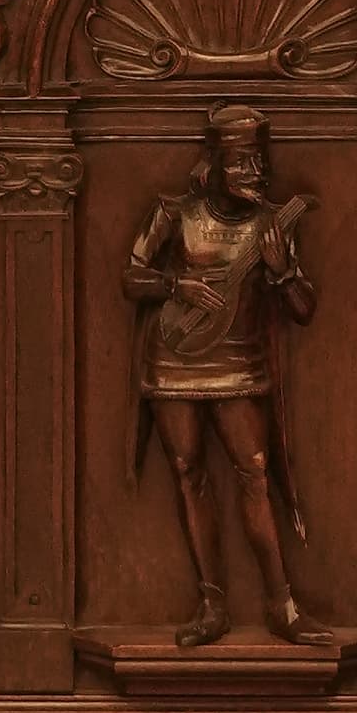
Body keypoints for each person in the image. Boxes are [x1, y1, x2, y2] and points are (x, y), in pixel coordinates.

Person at [124, 106, 320, 644]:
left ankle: (282, 604)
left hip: (239, 366)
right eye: (241, 162)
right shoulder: (172, 213)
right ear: (211, 163)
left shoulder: (271, 227)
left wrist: (283, 275)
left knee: (254, 471)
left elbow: (303, 308)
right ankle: (213, 605)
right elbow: (132, 276)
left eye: (260, 161)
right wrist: (176, 287)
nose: (255, 171)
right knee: (189, 473)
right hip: (175, 358)